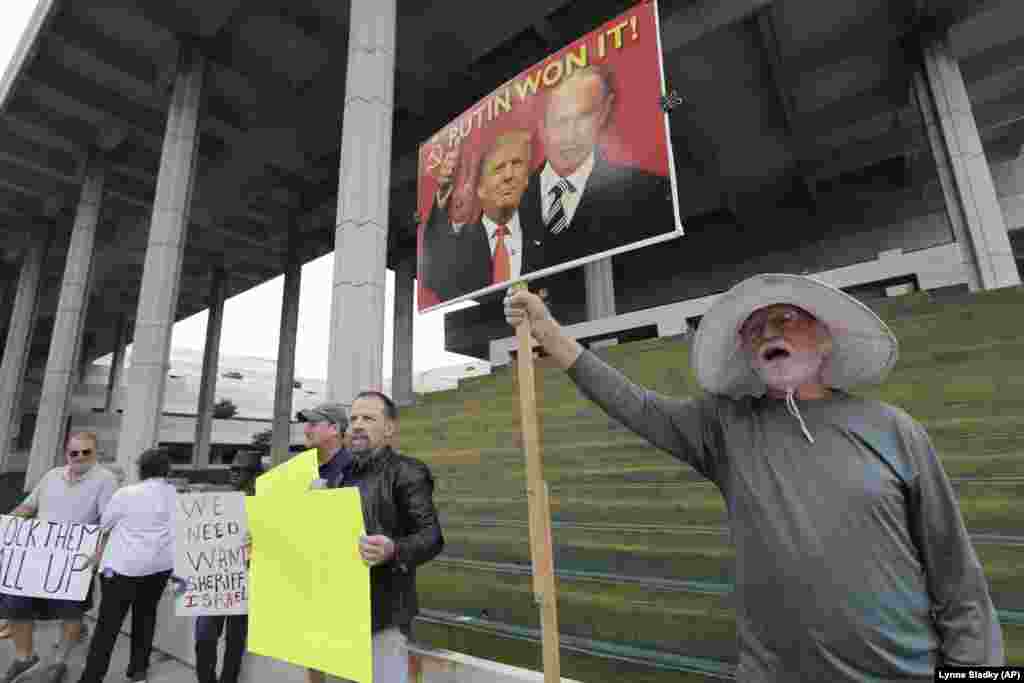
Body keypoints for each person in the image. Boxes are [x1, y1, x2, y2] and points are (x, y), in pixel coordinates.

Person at [504, 273, 1004, 681]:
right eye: (756, 329)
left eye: (786, 320)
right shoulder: (726, 426)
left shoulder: (895, 429)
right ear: (747, 353)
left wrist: (973, 672)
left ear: (824, 337)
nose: (770, 332)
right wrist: (549, 333)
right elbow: (636, 405)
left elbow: (955, 571)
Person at [310, 391, 444, 683]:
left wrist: (393, 549)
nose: (357, 425)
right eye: (354, 418)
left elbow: (432, 536)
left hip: (384, 619)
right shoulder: (335, 477)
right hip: (337, 614)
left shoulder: (407, 472)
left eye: (368, 418)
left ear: (389, 428)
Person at [521, 64, 675, 271]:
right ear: (540, 125)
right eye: (560, 120)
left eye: (584, 116)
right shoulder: (506, 205)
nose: (571, 134)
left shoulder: (652, 193)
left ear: (604, 112)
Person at [0, 432, 117, 683]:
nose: (80, 457)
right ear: (67, 453)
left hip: (75, 559)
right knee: (17, 606)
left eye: (87, 452)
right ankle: (24, 658)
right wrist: (6, 528)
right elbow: (27, 507)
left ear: (96, 453)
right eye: (74, 452)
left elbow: (109, 522)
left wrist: (99, 553)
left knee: (71, 613)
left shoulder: (106, 480)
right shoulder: (52, 475)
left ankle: (58, 663)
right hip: (35, 555)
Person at [76, 448, 178, 683]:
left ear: (141, 469)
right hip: (158, 568)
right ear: (166, 470)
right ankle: (138, 672)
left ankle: (92, 678)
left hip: (122, 569)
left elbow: (105, 523)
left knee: (108, 625)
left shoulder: (126, 494)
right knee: (146, 617)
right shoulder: (173, 494)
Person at [421, 130, 542, 301]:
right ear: (480, 188)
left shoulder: (543, 236)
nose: (509, 175)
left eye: (516, 164)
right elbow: (434, 273)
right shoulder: (459, 246)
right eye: (499, 168)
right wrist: (443, 193)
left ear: (527, 179)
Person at [192, 449, 263, 683]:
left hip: (246, 578)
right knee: (204, 635)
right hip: (217, 577)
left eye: (239, 470)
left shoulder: (264, 506)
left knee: (235, 639)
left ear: (253, 475)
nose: (233, 473)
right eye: (232, 468)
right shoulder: (221, 501)